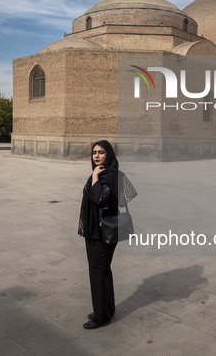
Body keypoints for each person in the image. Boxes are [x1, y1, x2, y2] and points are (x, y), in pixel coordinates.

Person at [77, 140, 136, 329]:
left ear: (108, 154)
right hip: (98, 230)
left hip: (101, 233)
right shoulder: (109, 173)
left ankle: (101, 317)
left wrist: (95, 176)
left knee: (97, 272)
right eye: (94, 152)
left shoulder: (108, 175)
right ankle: (106, 309)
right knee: (103, 271)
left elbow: (99, 198)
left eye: (101, 152)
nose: (96, 156)